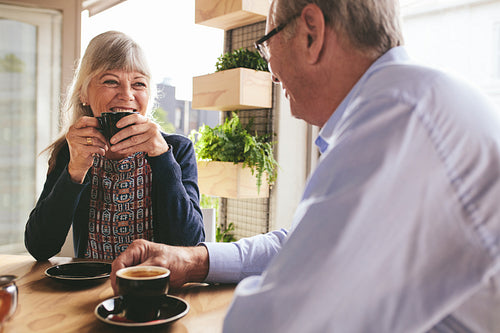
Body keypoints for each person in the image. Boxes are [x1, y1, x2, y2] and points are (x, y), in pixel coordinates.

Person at [112, 1, 500, 332]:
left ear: (311, 33)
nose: (270, 70)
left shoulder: (395, 119)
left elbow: (278, 321)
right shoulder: (410, 100)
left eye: (266, 44)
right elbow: (301, 241)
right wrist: (195, 260)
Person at [25, 31, 204, 261]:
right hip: (91, 289)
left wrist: (161, 157)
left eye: (139, 83)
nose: (127, 95)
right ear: (83, 94)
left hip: (157, 287)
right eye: (111, 81)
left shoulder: (177, 151)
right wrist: (75, 170)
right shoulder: (72, 151)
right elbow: (40, 247)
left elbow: (191, 245)